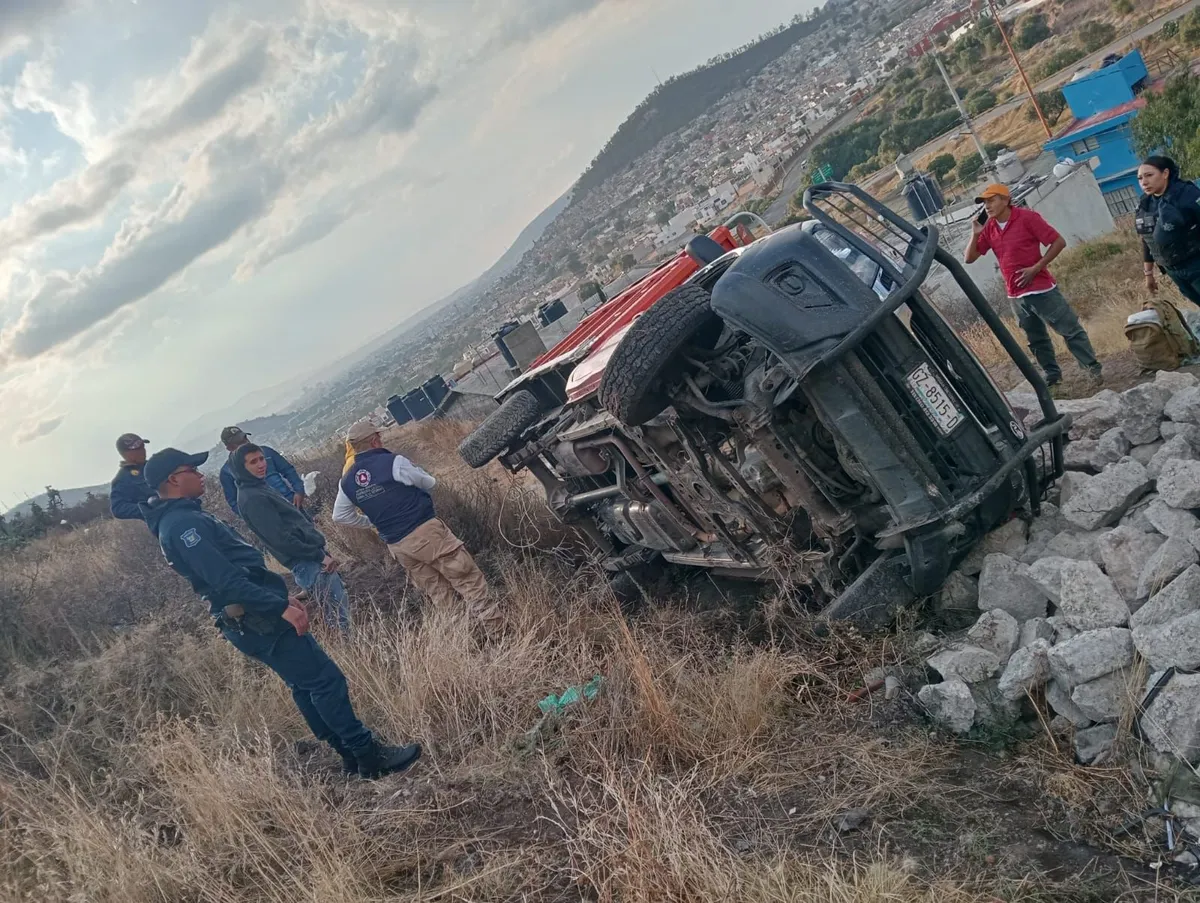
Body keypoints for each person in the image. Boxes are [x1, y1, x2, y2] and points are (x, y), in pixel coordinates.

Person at [140, 447, 420, 778]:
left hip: (253, 616)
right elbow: (227, 581)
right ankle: (368, 755)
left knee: (305, 686)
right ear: (173, 479)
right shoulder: (184, 525)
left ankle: (349, 755)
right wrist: (280, 607)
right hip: (259, 621)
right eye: (193, 470)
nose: (202, 475)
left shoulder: (179, 519)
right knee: (325, 681)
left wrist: (282, 597)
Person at [332, 422, 499, 624]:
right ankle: (497, 631)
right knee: (468, 581)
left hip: (399, 547)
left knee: (439, 594)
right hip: (425, 533)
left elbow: (339, 515)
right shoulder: (392, 462)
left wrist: (372, 521)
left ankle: (466, 642)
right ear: (375, 440)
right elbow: (429, 483)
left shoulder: (347, 480)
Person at [966, 183, 1102, 390]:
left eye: (991, 200)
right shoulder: (990, 228)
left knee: (1070, 330)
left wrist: (1036, 267)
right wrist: (976, 234)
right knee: (1035, 339)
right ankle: (1053, 376)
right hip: (1015, 294)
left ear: (1005, 199)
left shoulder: (1027, 218)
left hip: (1041, 289)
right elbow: (969, 258)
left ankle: (1092, 370)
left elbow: (1058, 242)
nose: (987, 206)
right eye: (984, 202)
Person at [229, 443, 351, 635]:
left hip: (310, 559)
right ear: (241, 468)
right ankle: (349, 651)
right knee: (339, 615)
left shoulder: (259, 487)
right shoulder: (252, 498)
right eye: (253, 462)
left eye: (261, 459)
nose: (261, 465)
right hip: (307, 562)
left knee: (338, 609)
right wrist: (319, 556)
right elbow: (282, 539)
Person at [1137, 155, 1200, 306]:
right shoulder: (1146, 204)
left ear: (1165, 174)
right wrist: (1148, 274)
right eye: (1140, 178)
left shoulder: (1187, 195)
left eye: (1149, 175)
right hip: (1173, 269)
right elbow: (1148, 239)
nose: (1144, 182)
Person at [218, 426, 307, 518]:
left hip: (291, 503)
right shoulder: (227, 472)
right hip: (269, 517)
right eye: (239, 443)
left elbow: (288, 469)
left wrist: (299, 490)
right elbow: (234, 502)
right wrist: (255, 517)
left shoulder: (266, 452)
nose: (245, 443)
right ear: (229, 448)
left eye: (245, 438)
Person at [110, 433, 153, 521]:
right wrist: (148, 508)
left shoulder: (154, 465)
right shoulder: (123, 478)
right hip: (163, 521)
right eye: (137, 449)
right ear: (126, 453)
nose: (143, 450)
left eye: (143, 446)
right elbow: (118, 508)